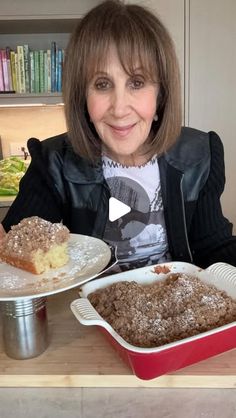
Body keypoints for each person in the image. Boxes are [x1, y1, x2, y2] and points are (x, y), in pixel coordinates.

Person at [1, 0, 236, 270]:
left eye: (137, 82)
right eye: (102, 84)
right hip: (85, 310)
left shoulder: (201, 154)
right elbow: (16, 257)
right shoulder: (51, 163)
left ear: (161, 94)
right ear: (82, 97)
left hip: (175, 306)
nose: (120, 108)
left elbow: (214, 246)